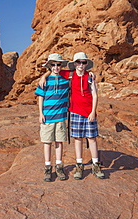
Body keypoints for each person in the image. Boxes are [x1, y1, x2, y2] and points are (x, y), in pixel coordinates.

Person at [39, 52, 104, 180]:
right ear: (74, 64)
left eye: (83, 62)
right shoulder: (69, 74)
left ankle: (95, 164)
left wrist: (93, 111)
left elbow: (95, 95)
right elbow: (52, 72)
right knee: (78, 139)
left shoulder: (89, 77)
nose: (81, 64)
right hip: (74, 111)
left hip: (88, 112)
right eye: (78, 62)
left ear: (86, 64)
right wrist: (43, 76)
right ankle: (79, 165)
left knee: (92, 138)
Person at [35, 53, 69, 182]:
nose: (56, 67)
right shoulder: (44, 81)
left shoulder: (66, 79)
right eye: (53, 65)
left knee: (59, 142)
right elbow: (40, 97)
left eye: (58, 64)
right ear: (49, 66)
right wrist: (40, 113)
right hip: (47, 116)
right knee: (47, 142)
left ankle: (59, 167)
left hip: (60, 116)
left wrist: (92, 74)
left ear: (61, 65)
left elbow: (80, 70)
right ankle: (48, 167)